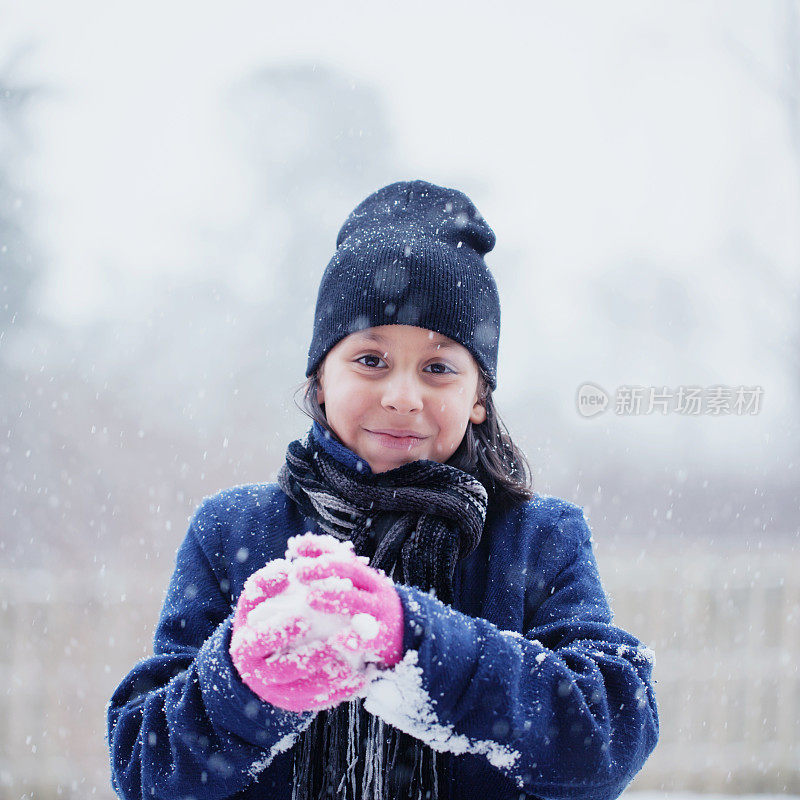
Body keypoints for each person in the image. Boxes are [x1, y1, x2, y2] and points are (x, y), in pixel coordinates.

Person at [106, 179, 659, 800]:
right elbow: (144, 769)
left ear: (478, 397)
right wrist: (243, 687)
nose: (402, 395)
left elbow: (608, 737)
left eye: (438, 368)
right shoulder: (234, 532)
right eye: (371, 360)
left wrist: (417, 642)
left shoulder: (535, 541)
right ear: (320, 381)